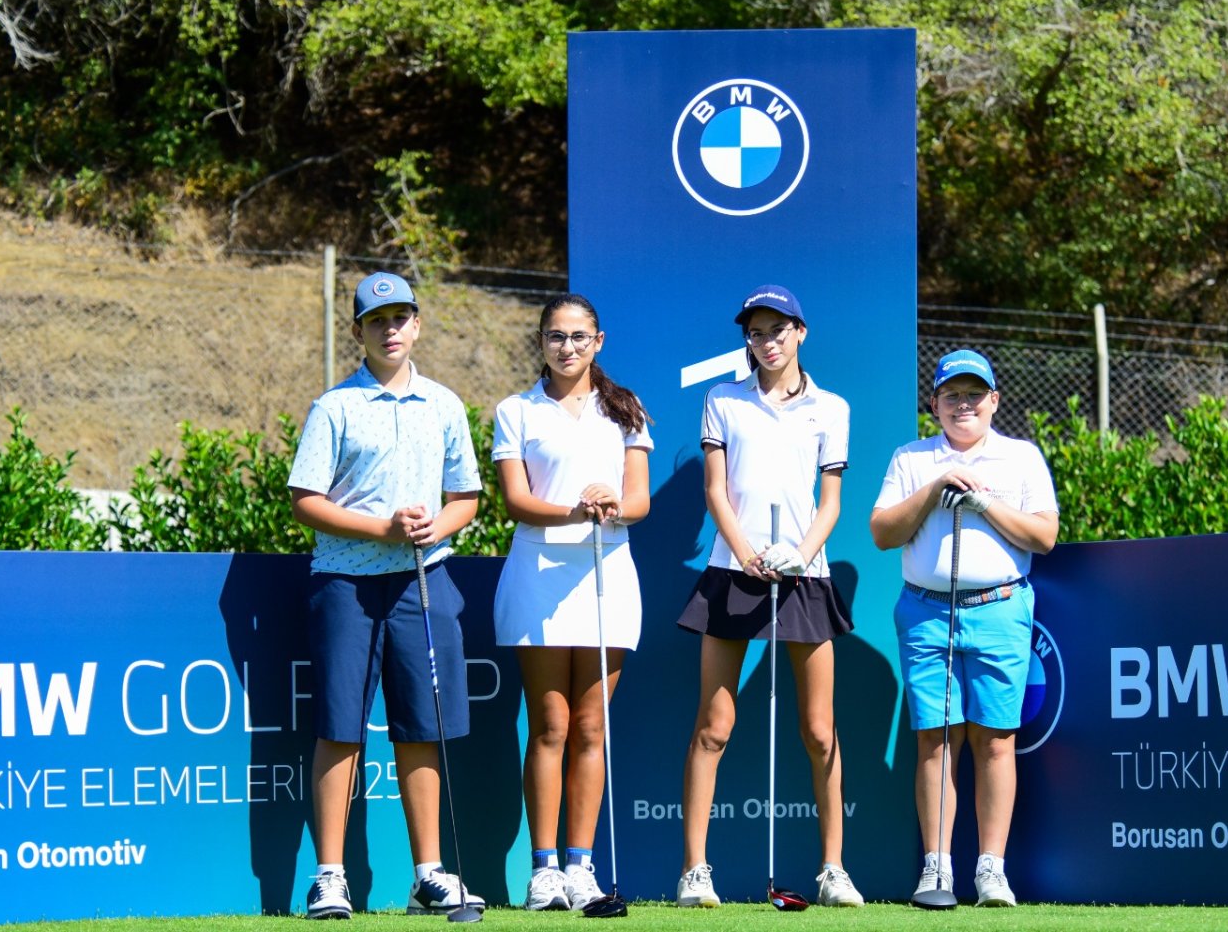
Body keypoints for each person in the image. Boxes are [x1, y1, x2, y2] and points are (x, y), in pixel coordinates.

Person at [287, 272, 485, 920]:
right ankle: (329, 877)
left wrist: (436, 527)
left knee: (422, 726)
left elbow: (466, 497)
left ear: (417, 325)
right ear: (358, 332)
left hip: (422, 582)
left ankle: (428, 876)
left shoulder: (444, 405)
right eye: (377, 320)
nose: (390, 329)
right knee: (340, 727)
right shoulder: (334, 407)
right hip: (346, 582)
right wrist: (382, 530)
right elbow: (305, 500)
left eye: (401, 317)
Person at [675, 284, 864, 908]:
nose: (767, 342)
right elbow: (716, 492)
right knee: (713, 725)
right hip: (733, 570)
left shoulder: (831, 408)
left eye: (778, 330)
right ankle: (695, 871)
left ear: (799, 332)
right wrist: (748, 554)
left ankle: (833, 869)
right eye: (756, 333)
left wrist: (800, 555)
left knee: (819, 730)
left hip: (805, 574)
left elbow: (830, 503)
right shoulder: (722, 400)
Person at [869, 349, 1058, 907]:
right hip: (927, 611)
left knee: (996, 740)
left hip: (1000, 607)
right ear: (935, 404)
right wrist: (934, 491)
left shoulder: (1021, 457)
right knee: (936, 740)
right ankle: (938, 869)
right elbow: (882, 532)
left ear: (994, 400)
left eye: (975, 394)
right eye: (952, 395)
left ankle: (991, 870)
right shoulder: (911, 458)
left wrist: (982, 502)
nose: (964, 405)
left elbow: (1044, 536)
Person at [490, 293, 653, 911]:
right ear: (541, 341)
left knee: (590, 727)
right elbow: (516, 500)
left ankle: (581, 868)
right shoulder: (516, 410)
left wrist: (611, 504)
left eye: (579, 336)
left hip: (607, 574)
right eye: (556, 336)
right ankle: (544, 871)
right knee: (549, 725)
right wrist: (574, 510)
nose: (567, 347)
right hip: (538, 574)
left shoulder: (626, 409)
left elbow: (639, 501)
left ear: (598, 342)